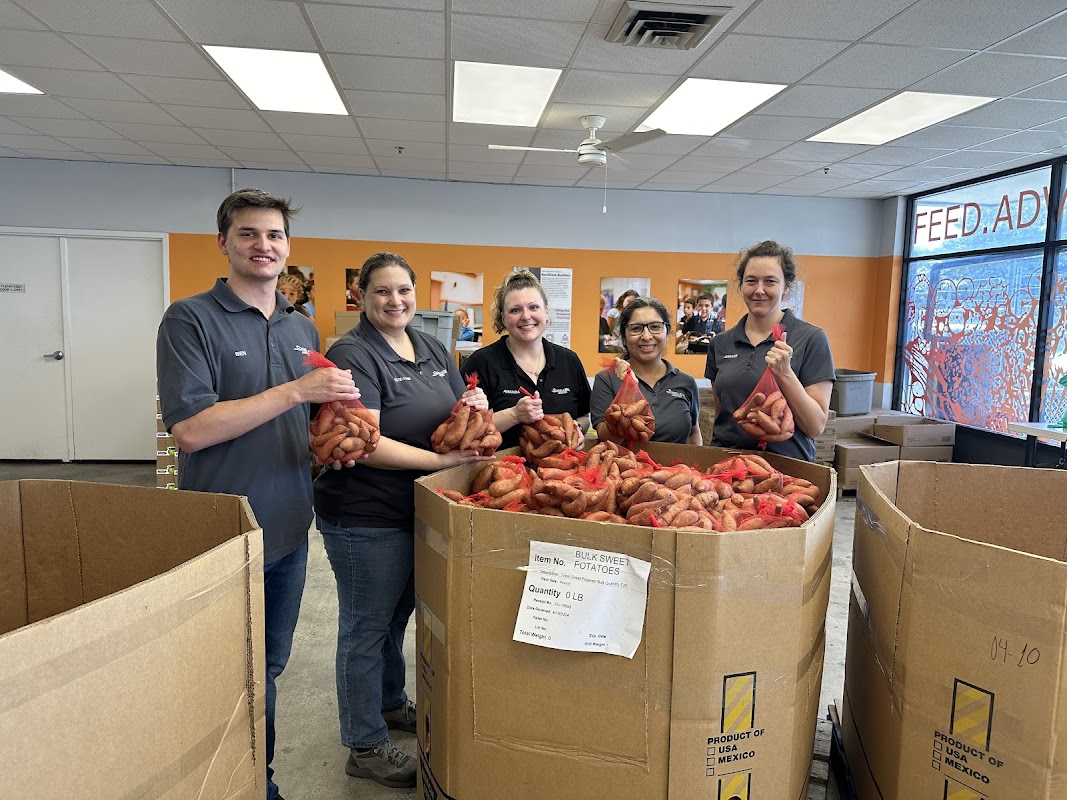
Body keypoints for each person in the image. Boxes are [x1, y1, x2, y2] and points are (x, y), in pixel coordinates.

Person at [156, 188, 360, 800]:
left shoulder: (302, 326)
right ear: (223, 242)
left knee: (266, 668)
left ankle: (256, 780)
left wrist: (338, 436)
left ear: (288, 247)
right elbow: (191, 430)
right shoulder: (189, 319)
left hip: (290, 529)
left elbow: (304, 424)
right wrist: (297, 391)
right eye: (248, 233)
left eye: (274, 235)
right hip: (223, 533)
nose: (262, 245)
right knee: (221, 674)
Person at [313, 252, 492, 790]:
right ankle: (364, 745)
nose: (395, 301)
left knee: (397, 617)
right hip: (365, 512)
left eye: (404, 290)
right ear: (362, 297)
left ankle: (389, 702)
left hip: (419, 507)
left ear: (417, 294)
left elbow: (454, 406)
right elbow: (362, 443)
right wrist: (440, 460)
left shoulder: (431, 345)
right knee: (366, 625)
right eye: (382, 291)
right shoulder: (353, 353)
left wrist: (474, 403)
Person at [705, 240, 834, 462]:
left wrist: (785, 373)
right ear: (741, 286)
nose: (759, 290)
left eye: (770, 281)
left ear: (787, 287)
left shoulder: (811, 339)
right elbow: (722, 416)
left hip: (787, 471)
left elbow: (815, 427)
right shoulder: (720, 343)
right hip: (726, 468)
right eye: (751, 281)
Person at [460, 268, 591, 451]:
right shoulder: (480, 363)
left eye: (533, 307)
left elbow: (584, 416)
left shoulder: (569, 361)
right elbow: (463, 431)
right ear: (503, 319)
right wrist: (514, 414)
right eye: (515, 310)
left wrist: (577, 429)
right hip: (499, 466)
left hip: (564, 465)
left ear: (546, 312)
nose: (526, 316)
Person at [590, 296, 701, 446]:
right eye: (636, 328)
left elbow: (693, 432)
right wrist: (629, 390)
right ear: (624, 337)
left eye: (655, 327)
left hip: (676, 462)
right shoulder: (607, 379)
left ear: (667, 332)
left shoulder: (686, 382)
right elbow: (607, 439)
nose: (647, 336)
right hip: (624, 461)